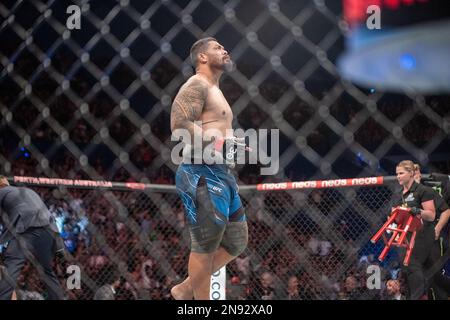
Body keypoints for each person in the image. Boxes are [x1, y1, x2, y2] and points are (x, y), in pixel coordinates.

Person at [170, 37, 249, 300]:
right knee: (206, 243)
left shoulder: (217, 91)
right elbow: (179, 123)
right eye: (217, 47)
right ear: (202, 57)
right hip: (199, 169)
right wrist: (219, 142)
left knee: (237, 241)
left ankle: (184, 289)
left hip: (221, 171)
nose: (225, 49)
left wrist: (230, 145)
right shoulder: (197, 84)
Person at [0, 175, 65, 300]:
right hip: (48, 229)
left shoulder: (2, 192)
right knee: (47, 271)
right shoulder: (26, 191)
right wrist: (59, 246)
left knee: (12, 264)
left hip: (25, 227)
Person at [393, 160, 436, 300]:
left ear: (411, 173)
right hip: (406, 239)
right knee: (409, 274)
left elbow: (431, 215)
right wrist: (395, 214)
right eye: (396, 174)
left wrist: (415, 210)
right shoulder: (399, 194)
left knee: (414, 271)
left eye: (401, 173)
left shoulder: (423, 191)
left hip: (422, 238)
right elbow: (395, 216)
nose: (398, 176)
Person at [413, 164, 450, 299]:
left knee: (435, 274)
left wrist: (437, 228)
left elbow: (446, 210)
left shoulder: (433, 185)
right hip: (415, 240)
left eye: (416, 169)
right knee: (423, 278)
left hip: (433, 237)